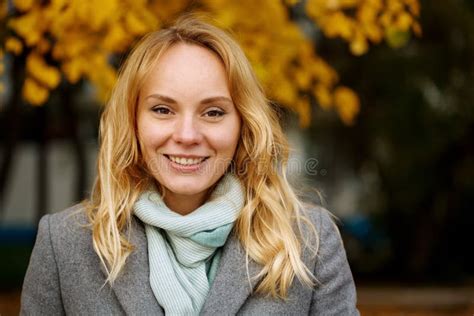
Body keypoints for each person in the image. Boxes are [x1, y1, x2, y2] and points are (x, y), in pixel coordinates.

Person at [21, 15, 359, 315]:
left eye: (213, 112)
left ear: (243, 124)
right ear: (133, 121)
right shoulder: (65, 243)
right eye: (163, 110)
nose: (187, 135)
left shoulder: (307, 241)